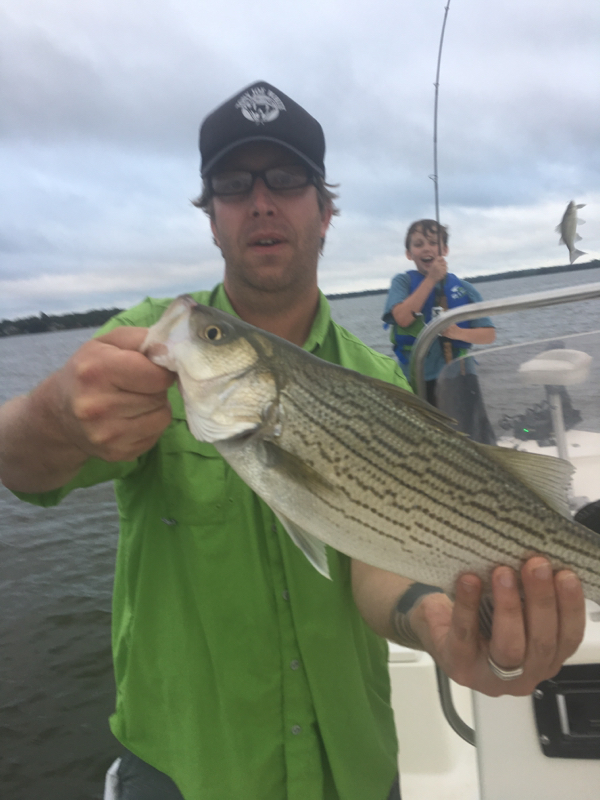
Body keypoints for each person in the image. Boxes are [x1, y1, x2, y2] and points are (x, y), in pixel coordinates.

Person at [0, 82, 586, 800]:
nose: (260, 202)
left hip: (354, 768)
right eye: (232, 184)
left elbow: (374, 561)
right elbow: (18, 465)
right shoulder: (148, 341)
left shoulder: (375, 376)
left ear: (325, 210)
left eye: (285, 179)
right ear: (211, 218)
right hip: (187, 769)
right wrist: (54, 414)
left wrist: (441, 623)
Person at [383, 220, 497, 443]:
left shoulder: (464, 288)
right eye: (418, 244)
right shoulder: (402, 282)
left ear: (444, 250)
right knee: (424, 441)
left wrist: (457, 333)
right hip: (415, 379)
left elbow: (488, 334)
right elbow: (403, 318)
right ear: (409, 253)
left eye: (433, 243)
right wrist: (431, 279)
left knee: (473, 439)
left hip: (459, 376)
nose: (426, 248)